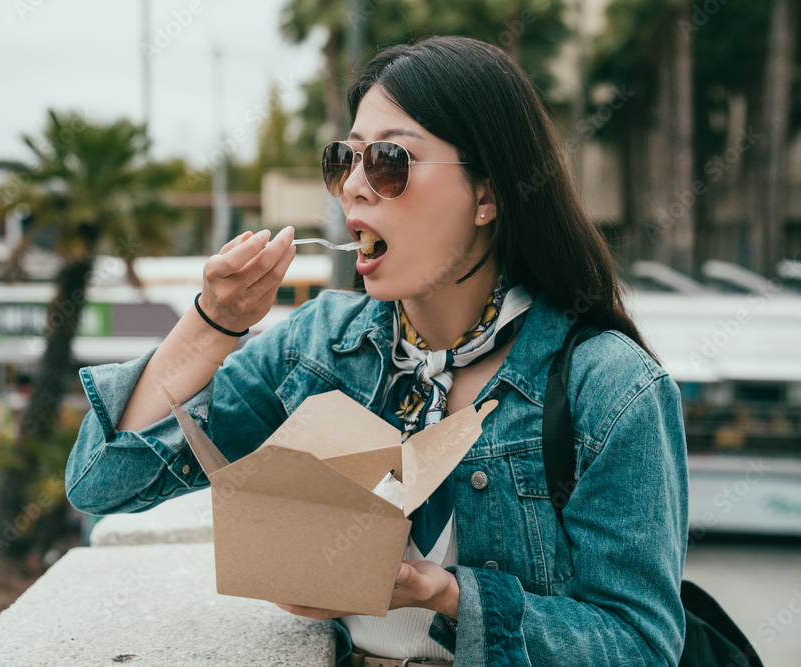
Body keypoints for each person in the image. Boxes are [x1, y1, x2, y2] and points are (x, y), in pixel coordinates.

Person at [65, 35, 688, 667]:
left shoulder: (608, 387)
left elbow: (640, 644)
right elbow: (101, 481)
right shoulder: (319, 349)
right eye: (345, 161)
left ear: (487, 195)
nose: (355, 189)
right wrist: (213, 323)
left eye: (390, 162)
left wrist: (447, 596)